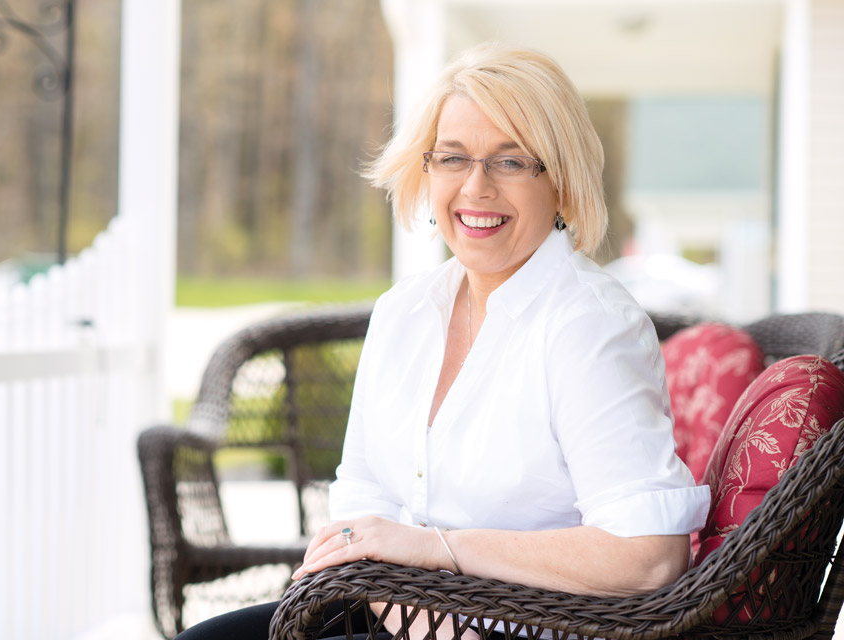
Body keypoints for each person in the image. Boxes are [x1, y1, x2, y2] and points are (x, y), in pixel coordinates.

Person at [176, 42, 710, 640]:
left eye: (511, 162)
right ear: (425, 170)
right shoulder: (404, 311)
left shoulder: (590, 326)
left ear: (560, 182)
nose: (475, 187)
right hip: (395, 610)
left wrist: (437, 550)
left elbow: (648, 556)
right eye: (453, 158)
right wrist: (413, 614)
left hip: (523, 627)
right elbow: (363, 492)